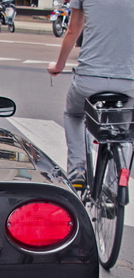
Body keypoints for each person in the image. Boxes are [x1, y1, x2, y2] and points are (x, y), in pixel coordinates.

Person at [47, 0, 134, 188]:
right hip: (130, 81)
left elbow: (73, 30)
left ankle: (77, 167)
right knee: (124, 131)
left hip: (89, 79)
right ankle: (114, 184)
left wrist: (58, 66)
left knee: (73, 114)